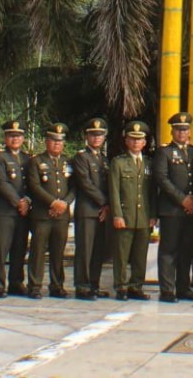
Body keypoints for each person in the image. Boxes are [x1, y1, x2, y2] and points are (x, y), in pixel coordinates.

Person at [154, 112, 193, 303]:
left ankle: (184, 288)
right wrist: (182, 200)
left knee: (187, 250)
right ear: (172, 131)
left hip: (191, 211)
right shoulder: (164, 152)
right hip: (172, 210)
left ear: (189, 131)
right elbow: (162, 179)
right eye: (178, 129)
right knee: (169, 250)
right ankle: (167, 290)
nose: (182, 133)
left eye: (185, 129)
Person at [26, 123, 74, 298]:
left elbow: (74, 187)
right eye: (53, 140)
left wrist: (65, 203)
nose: (56, 144)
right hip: (42, 214)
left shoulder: (67, 161)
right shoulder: (36, 161)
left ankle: (57, 285)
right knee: (38, 251)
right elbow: (34, 186)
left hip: (62, 215)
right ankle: (35, 286)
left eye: (60, 141)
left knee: (58, 252)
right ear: (47, 141)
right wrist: (53, 203)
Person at [109, 120, 156, 300]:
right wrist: (117, 215)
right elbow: (114, 191)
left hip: (143, 216)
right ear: (126, 141)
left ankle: (136, 286)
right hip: (125, 216)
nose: (136, 143)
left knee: (140, 255)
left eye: (140, 139)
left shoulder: (149, 164)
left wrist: (153, 215)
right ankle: (121, 286)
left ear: (145, 142)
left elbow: (152, 192)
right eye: (132, 139)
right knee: (122, 255)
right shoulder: (119, 163)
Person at [0, 120, 31, 298]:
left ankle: (16, 282)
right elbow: (1, 182)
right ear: (5, 138)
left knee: (19, 249)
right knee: (0, 249)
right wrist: (18, 202)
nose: (15, 139)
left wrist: (27, 201)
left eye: (18, 136)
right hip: (4, 210)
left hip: (24, 212)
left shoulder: (27, 158)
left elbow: (32, 183)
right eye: (11, 136)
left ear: (23, 138)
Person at [72, 118, 112, 300]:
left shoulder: (104, 160)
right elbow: (85, 184)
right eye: (93, 135)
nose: (96, 138)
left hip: (102, 213)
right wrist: (105, 202)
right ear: (87, 136)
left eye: (100, 135)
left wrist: (108, 205)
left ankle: (94, 284)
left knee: (98, 250)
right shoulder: (81, 158)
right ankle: (82, 285)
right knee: (85, 250)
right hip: (88, 210)